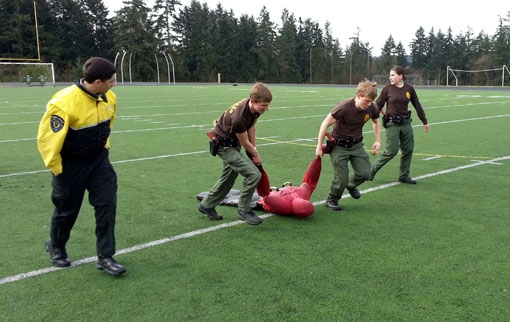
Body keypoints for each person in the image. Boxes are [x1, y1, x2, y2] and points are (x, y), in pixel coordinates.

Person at [37, 57, 125, 276]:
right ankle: (56, 246)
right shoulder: (64, 102)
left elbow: (107, 125)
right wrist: (57, 169)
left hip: (98, 161)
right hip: (70, 165)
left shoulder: (109, 97)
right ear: (97, 82)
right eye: (111, 81)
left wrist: (104, 148)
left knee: (107, 204)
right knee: (66, 210)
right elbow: (47, 140)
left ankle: (105, 256)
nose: (114, 84)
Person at [198, 83, 272, 225]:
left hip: (233, 143)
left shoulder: (255, 109)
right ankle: (244, 211)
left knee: (228, 178)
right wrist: (254, 154)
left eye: (268, 105)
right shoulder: (239, 118)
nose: (267, 109)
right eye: (264, 105)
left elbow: (251, 127)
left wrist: (254, 148)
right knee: (254, 174)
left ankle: (206, 206)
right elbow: (244, 143)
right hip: (224, 147)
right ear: (253, 101)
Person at [316, 79, 381, 211]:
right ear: (358, 96)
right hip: (339, 145)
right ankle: (332, 199)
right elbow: (325, 123)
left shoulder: (371, 108)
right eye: (366, 101)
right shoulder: (344, 106)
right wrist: (319, 146)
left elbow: (376, 122)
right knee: (341, 178)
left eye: (371, 101)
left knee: (366, 173)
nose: (369, 104)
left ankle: (351, 185)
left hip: (356, 145)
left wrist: (377, 141)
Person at [370, 66, 430, 184]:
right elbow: (378, 104)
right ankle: (371, 170)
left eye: (393, 75)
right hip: (392, 123)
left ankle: (403, 176)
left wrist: (424, 121)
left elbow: (417, 105)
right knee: (391, 150)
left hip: (406, 123)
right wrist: (372, 113)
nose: (390, 77)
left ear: (401, 76)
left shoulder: (409, 89)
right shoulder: (387, 89)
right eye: (390, 75)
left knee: (408, 150)